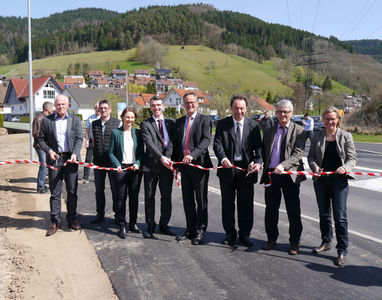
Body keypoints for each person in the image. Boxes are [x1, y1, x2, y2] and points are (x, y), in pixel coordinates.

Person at [308, 106, 356, 266]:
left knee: (340, 218)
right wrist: (314, 167)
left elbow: (351, 158)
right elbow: (311, 157)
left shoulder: (346, 136)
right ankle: (326, 242)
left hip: (339, 181)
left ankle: (342, 250)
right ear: (323, 120)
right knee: (324, 214)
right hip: (321, 180)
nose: (330, 122)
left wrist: (345, 168)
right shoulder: (317, 136)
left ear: (338, 120)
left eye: (332, 119)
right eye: (327, 119)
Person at [213, 95, 263, 246]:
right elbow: (217, 145)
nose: (239, 111)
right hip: (228, 169)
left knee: (246, 204)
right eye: (236, 108)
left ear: (246, 109)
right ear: (231, 108)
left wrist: (258, 162)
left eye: (242, 108)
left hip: (246, 170)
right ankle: (229, 234)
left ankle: (245, 234)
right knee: (227, 203)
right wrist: (222, 158)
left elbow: (258, 149)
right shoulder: (222, 124)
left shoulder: (253, 126)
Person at [260, 99, 306, 255]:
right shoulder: (268, 131)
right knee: (271, 210)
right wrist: (259, 163)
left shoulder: (300, 131)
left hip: (289, 176)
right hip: (272, 175)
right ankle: (271, 239)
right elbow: (263, 152)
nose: (282, 114)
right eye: (279, 111)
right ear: (276, 113)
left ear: (291, 113)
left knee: (293, 210)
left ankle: (294, 243)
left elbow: (297, 154)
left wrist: (283, 165)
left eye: (286, 111)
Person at [38, 95, 83, 236]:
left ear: (68, 105)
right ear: (54, 106)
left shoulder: (75, 120)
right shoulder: (47, 120)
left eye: (63, 104)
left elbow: (79, 138)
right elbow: (41, 139)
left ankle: (71, 219)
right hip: (55, 159)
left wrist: (75, 153)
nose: (61, 107)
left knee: (71, 191)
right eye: (58, 104)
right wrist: (49, 151)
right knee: (55, 192)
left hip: (71, 160)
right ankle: (55, 221)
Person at [173, 91, 212, 245]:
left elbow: (206, 140)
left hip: (199, 165)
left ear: (197, 103)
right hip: (184, 166)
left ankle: (201, 230)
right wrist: (175, 163)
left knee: (201, 200)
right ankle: (190, 229)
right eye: (187, 102)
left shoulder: (205, 120)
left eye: (192, 102)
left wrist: (193, 155)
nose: (190, 105)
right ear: (183, 104)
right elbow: (176, 143)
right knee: (187, 199)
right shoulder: (179, 122)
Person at [141, 96, 175, 239]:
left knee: (166, 197)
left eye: (159, 105)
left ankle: (164, 224)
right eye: (154, 105)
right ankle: (150, 225)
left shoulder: (171, 123)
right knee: (150, 197)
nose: (156, 108)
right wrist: (162, 158)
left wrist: (167, 157)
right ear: (150, 107)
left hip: (167, 167)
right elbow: (149, 144)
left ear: (163, 106)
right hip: (151, 166)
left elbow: (172, 142)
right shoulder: (145, 124)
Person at [109, 107, 144, 239]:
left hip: (134, 169)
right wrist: (117, 164)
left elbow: (141, 152)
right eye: (127, 117)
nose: (130, 120)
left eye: (132, 117)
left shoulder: (138, 133)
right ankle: (122, 224)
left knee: (134, 197)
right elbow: (111, 152)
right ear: (122, 117)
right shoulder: (115, 133)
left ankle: (133, 223)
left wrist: (138, 163)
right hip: (121, 169)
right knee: (121, 197)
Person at [89, 99, 121, 224]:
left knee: (115, 190)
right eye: (101, 108)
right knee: (99, 190)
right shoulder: (94, 123)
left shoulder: (117, 123)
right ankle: (100, 214)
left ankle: (117, 215)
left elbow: (119, 143)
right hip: (98, 161)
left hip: (112, 162)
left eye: (105, 108)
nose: (103, 110)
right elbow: (93, 141)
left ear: (110, 110)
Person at [32, 101, 54, 193]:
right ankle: (40, 188)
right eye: (52, 108)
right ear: (47, 109)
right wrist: (44, 140)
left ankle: (43, 184)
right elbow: (35, 134)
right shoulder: (39, 118)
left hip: (46, 146)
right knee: (43, 165)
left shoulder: (47, 118)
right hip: (40, 146)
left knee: (46, 165)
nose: (53, 109)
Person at [82, 103, 100, 183]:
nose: (98, 109)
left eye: (99, 107)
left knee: (99, 160)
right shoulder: (90, 118)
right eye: (96, 107)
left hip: (100, 142)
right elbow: (87, 130)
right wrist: (86, 141)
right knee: (88, 159)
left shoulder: (104, 118)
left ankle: (98, 178)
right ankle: (85, 178)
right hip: (91, 141)